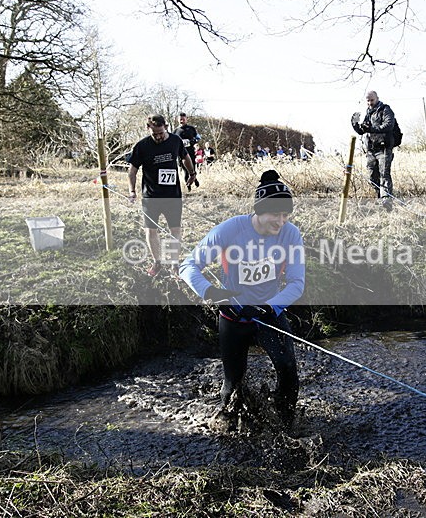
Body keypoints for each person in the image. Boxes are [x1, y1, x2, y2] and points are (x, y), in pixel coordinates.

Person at [179, 170, 305, 431]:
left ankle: (285, 427)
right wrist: (211, 293)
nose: (281, 221)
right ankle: (227, 428)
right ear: (259, 210)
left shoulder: (290, 234)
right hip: (233, 317)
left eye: (285, 215)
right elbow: (188, 265)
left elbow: (296, 283)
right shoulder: (231, 229)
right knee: (233, 383)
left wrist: (270, 307)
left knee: (288, 370)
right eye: (275, 214)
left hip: (269, 315)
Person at [127, 114, 198, 276]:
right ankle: (157, 262)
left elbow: (185, 157)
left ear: (165, 127)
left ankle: (174, 263)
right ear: (148, 129)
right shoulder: (142, 146)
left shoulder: (175, 141)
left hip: (172, 195)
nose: (158, 136)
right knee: (150, 231)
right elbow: (132, 171)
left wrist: (192, 173)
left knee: (175, 229)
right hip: (151, 197)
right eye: (154, 133)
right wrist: (132, 191)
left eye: (161, 132)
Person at [351, 90, 397, 211]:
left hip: (384, 148)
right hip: (371, 149)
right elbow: (363, 130)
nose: (370, 103)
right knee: (372, 176)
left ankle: (387, 200)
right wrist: (355, 124)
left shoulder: (385, 110)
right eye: (368, 101)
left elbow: (388, 125)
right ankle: (379, 197)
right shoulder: (368, 113)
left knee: (384, 173)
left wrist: (372, 128)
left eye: (372, 100)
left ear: (377, 98)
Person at [174, 112, 201, 187]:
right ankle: (188, 187)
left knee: (192, 169)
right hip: (181, 155)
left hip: (191, 153)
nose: (181, 121)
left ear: (186, 119)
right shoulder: (175, 131)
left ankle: (194, 178)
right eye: (180, 119)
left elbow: (199, 137)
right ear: (177, 120)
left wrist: (193, 141)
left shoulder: (191, 128)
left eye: (183, 119)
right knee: (185, 171)